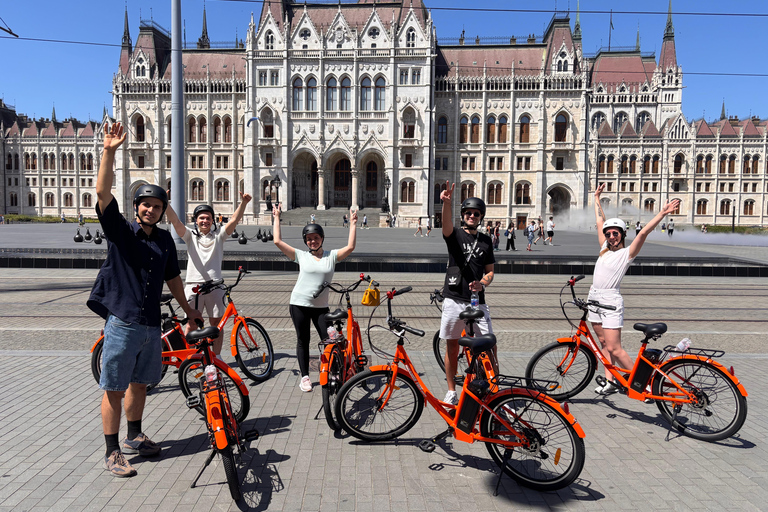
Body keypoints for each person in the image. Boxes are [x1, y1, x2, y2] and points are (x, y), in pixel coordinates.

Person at [87, 122, 203, 477]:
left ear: (163, 209)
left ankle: (134, 437)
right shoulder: (121, 231)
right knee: (114, 387)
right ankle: (111, 451)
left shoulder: (166, 241)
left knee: (140, 384)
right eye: (145, 205)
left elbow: (174, 278)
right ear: (136, 207)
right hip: (122, 321)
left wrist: (189, 313)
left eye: (157, 206)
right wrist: (109, 150)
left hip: (152, 323)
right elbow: (103, 194)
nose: (150, 210)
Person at [591, 183, 680, 395]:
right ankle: (611, 381)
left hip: (610, 301)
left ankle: (643, 385)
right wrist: (596, 197)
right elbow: (599, 221)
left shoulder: (627, 254)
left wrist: (662, 213)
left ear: (622, 234)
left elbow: (644, 233)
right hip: (593, 298)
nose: (611, 236)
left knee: (615, 348)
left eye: (615, 233)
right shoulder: (604, 248)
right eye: (609, 233)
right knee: (603, 343)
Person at [273, 205, 357, 392]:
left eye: (316, 238)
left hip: (321, 307)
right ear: (305, 241)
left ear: (322, 239)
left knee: (329, 340)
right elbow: (277, 241)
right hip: (299, 304)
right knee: (303, 339)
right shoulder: (301, 256)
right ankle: (305, 377)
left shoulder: (332, 256)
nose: (312, 241)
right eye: (309, 239)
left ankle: (334, 372)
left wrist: (352, 224)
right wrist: (277, 217)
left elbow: (350, 247)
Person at [164, 194, 252, 354]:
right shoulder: (190, 236)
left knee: (216, 324)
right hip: (193, 286)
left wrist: (243, 203)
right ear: (196, 220)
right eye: (201, 218)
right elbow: (175, 221)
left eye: (208, 218)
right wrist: (165, 202)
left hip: (215, 287)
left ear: (213, 221)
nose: (205, 221)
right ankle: (191, 358)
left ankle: (216, 357)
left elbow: (233, 220)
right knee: (191, 323)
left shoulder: (219, 236)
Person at [438, 181, 495, 405]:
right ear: (463, 215)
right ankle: (451, 391)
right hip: (453, 299)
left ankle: (493, 387)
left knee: (490, 346)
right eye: (468, 213)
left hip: (477, 302)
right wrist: (446, 203)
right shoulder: (454, 236)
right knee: (452, 345)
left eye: (476, 213)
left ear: (481, 217)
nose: (472, 216)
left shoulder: (486, 241)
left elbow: (490, 272)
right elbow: (445, 225)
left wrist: (483, 283)